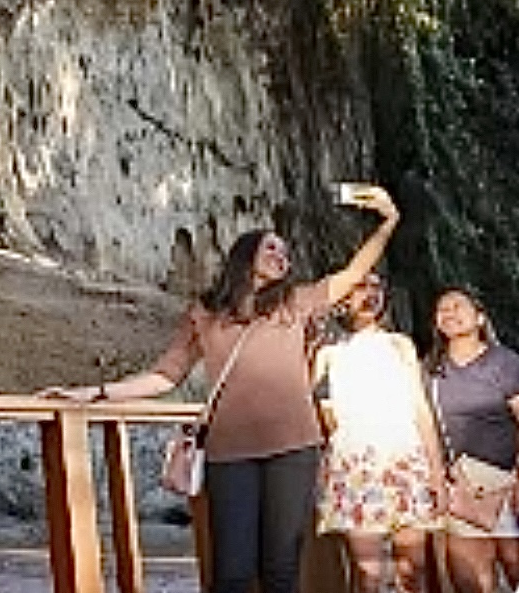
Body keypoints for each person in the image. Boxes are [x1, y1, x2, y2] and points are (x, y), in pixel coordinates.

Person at [46, 187, 401, 593]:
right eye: (271, 248)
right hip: (230, 452)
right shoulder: (206, 313)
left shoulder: (295, 303)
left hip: (293, 448)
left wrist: (388, 222)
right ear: (245, 254)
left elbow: (353, 274)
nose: (281, 257)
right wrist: (93, 394)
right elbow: (166, 375)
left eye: (285, 253)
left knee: (280, 570)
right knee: (230, 571)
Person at [310, 271, 445, 593]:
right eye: (360, 286)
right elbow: (309, 404)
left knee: (413, 567)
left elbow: (420, 407)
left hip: (404, 458)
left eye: (376, 287)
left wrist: (436, 470)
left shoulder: (400, 345)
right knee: (368, 572)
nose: (369, 294)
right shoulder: (327, 353)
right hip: (356, 462)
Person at [429, 286, 519, 593]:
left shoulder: (505, 363)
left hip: (509, 483)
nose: (449, 312)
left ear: (480, 317)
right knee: (470, 580)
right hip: (462, 489)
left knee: (513, 561)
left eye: (458, 306)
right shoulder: (431, 370)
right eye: (443, 308)